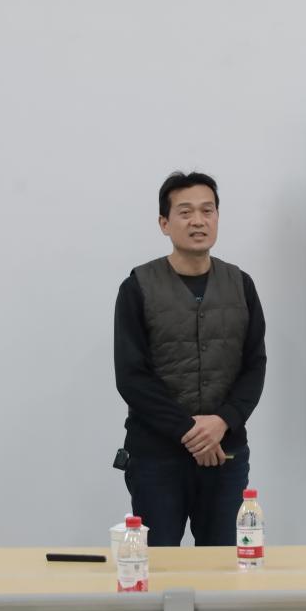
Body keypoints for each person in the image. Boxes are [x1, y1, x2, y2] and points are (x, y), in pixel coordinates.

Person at [113, 171, 267, 546]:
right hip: (155, 458)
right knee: (158, 564)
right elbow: (132, 377)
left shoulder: (241, 284)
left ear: (217, 217)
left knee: (224, 565)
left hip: (226, 454)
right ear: (164, 223)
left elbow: (254, 365)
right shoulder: (137, 287)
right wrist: (192, 432)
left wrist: (222, 422)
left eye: (207, 210)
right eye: (185, 212)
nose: (198, 221)